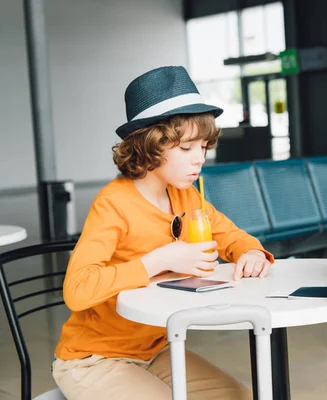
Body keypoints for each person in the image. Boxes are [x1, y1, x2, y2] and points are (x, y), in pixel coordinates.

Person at [52, 66, 273, 400]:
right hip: (94, 359)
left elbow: (230, 235)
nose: (199, 160)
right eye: (187, 149)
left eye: (204, 147)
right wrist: (157, 261)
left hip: (155, 349)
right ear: (148, 146)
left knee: (237, 396)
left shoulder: (184, 193)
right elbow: (77, 290)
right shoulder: (113, 204)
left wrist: (252, 252)